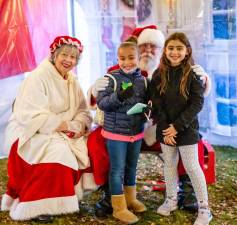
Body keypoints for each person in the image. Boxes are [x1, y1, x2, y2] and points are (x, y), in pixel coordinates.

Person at [88, 25, 211, 217]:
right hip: (123, 128)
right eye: (143, 46)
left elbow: (195, 99)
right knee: (97, 140)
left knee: (195, 144)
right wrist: (95, 88)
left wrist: (204, 79)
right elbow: (100, 99)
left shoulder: (175, 71)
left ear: (161, 50)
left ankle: (186, 191)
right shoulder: (119, 69)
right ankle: (110, 191)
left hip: (158, 129)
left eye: (152, 47)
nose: (147, 51)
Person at [0, 36, 97, 222]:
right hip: (32, 130)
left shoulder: (72, 79)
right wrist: (65, 126)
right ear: (54, 55)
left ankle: (61, 199)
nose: (69, 60)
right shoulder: (38, 77)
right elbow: (30, 115)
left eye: (73, 57)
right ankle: (37, 204)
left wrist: (77, 126)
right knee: (57, 153)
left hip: (63, 130)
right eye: (64, 55)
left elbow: (83, 110)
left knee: (89, 145)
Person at [150, 32, 212, 225]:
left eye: (179, 48)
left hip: (186, 129)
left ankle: (204, 208)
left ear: (187, 51)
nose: (174, 52)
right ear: (165, 50)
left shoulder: (193, 73)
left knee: (192, 166)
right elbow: (156, 103)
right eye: (171, 48)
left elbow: (197, 103)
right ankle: (171, 199)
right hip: (165, 128)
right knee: (169, 164)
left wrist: (177, 127)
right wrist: (166, 128)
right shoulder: (158, 73)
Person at [96, 38, 148, 224]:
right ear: (117, 58)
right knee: (117, 170)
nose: (127, 62)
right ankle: (119, 207)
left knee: (131, 167)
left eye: (131, 58)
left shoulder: (143, 80)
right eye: (122, 58)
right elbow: (102, 103)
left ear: (139, 57)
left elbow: (147, 103)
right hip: (116, 133)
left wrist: (148, 108)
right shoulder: (110, 79)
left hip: (136, 132)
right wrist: (118, 96)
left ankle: (131, 199)